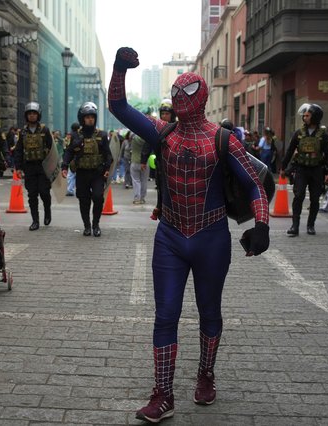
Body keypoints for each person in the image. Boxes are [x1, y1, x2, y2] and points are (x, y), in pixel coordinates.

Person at [109, 47, 269, 423]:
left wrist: (261, 225)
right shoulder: (162, 134)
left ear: (200, 98)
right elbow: (118, 106)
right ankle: (163, 393)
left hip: (212, 236)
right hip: (171, 236)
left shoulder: (223, 139)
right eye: (176, 94)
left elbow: (254, 186)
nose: (180, 99)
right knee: (165, 315)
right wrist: (119, 69)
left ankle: (206, 373)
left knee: (209, 311)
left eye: (187, 93)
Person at [280, 103, 328, 236]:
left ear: (315, 117)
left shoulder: (323, 135)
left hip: (317, 170)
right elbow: (289, 151)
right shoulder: (299, 133)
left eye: (308, 115)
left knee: (315, 199)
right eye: (304, 115)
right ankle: (295, 226)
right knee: (298, 196)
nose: (305, 117)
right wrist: (283, 167)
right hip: (301, 169)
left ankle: (311, 225)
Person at [61, 102, 112, 237]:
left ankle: (96, 224)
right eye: (87, 117)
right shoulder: (76, 136)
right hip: (82, 173)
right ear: (82, 119)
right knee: (84, 200)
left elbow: (108, 155)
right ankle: (87, 226)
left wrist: (107, 168)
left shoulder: (102, 134)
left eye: (92, 117)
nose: (90, 119)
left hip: (97, 173)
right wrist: (64, 166)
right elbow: (68, 152)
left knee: (98, 197)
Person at [13, 102, 53, 230]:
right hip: (29, 167)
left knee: (44, 192)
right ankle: (35, 221)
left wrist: (53, 168)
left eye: (34, 113)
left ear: (38, 115)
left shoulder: (45, 130)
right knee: (32, 195)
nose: (31, 116)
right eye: (29, 114)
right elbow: (19, 150)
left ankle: (47, 211)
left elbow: (52, 149)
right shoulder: (23, 132)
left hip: (43, 167)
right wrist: (18, 167)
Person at [129, 132, 148, 204]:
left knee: (136, 181)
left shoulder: (133, 137)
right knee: (144, 181)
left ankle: (137, 198)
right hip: (145, 162)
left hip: (134, 161)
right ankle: (142, 198)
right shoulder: (146, 139)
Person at [65, 122, 80, 196]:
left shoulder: (70, 136)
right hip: (79, 158)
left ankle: (70, 190)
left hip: (72, 159)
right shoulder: (81, 135)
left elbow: (67, 147)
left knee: (71, 175)